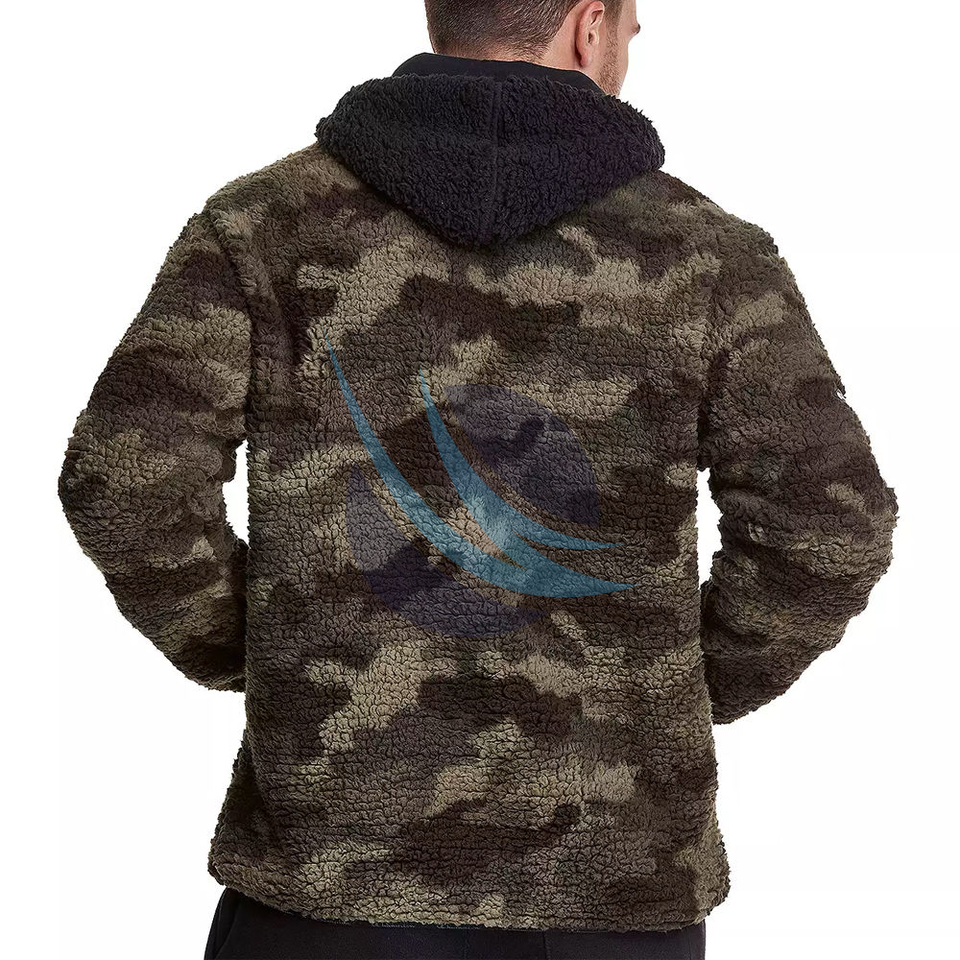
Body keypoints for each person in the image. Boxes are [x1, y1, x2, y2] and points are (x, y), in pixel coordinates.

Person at [57, 1, 898, 958]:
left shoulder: (261, 228)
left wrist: (271, 659)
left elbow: (125, 481)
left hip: (332, 884)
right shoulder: (710, 257)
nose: (636, 39)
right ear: (589, 26)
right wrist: (665, 694)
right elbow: (830, 528)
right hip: (613, 888)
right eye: (632, 19)